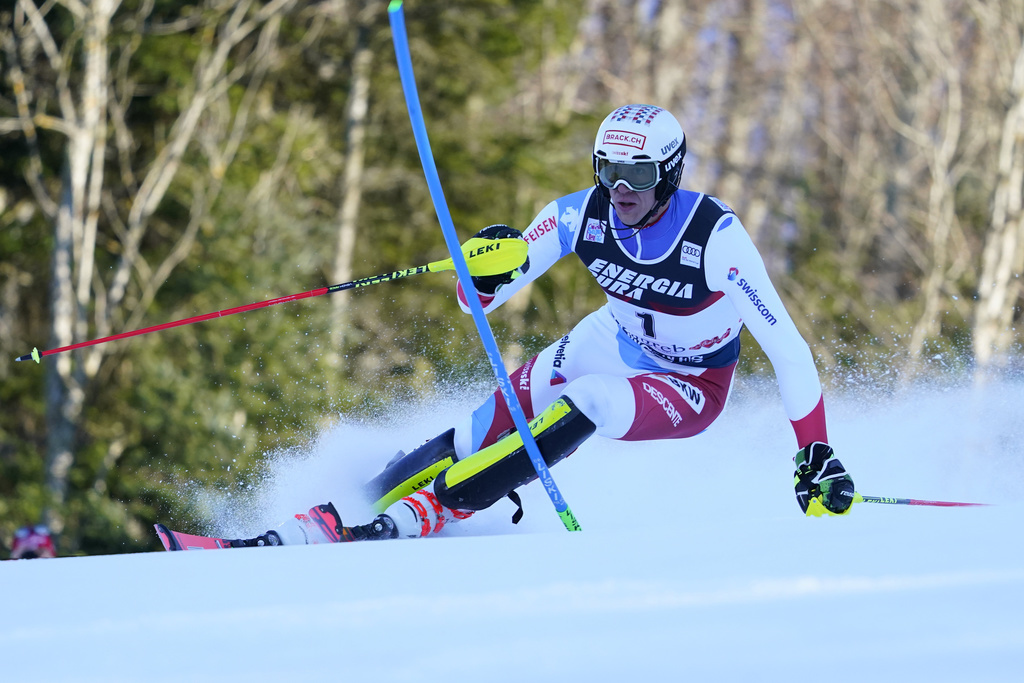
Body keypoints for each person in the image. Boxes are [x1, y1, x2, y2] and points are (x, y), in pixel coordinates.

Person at [242, 104, 855, 547]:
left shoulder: (714, 237)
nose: (620, 190)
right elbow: (476, 302)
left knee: (587, 400)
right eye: (607, 170)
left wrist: (815, 451)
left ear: (670, 172)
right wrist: (484, 274)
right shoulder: (578, 214)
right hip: (608, 341)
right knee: (477, 430)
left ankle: (438, 507)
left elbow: (789, 349)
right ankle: (350, 506)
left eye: (637, 175)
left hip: (690, 382)